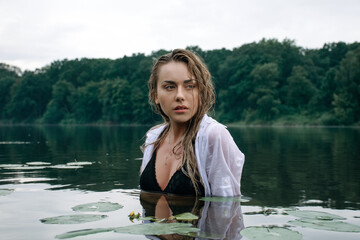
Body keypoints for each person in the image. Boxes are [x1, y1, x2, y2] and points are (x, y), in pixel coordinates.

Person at [140, 49, 244, 197]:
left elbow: (226, 209)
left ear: (200, 92)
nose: (180, 96)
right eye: (169, 87)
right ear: (156, 95)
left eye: (190, 86)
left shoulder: (214, 136)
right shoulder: (153, 137)